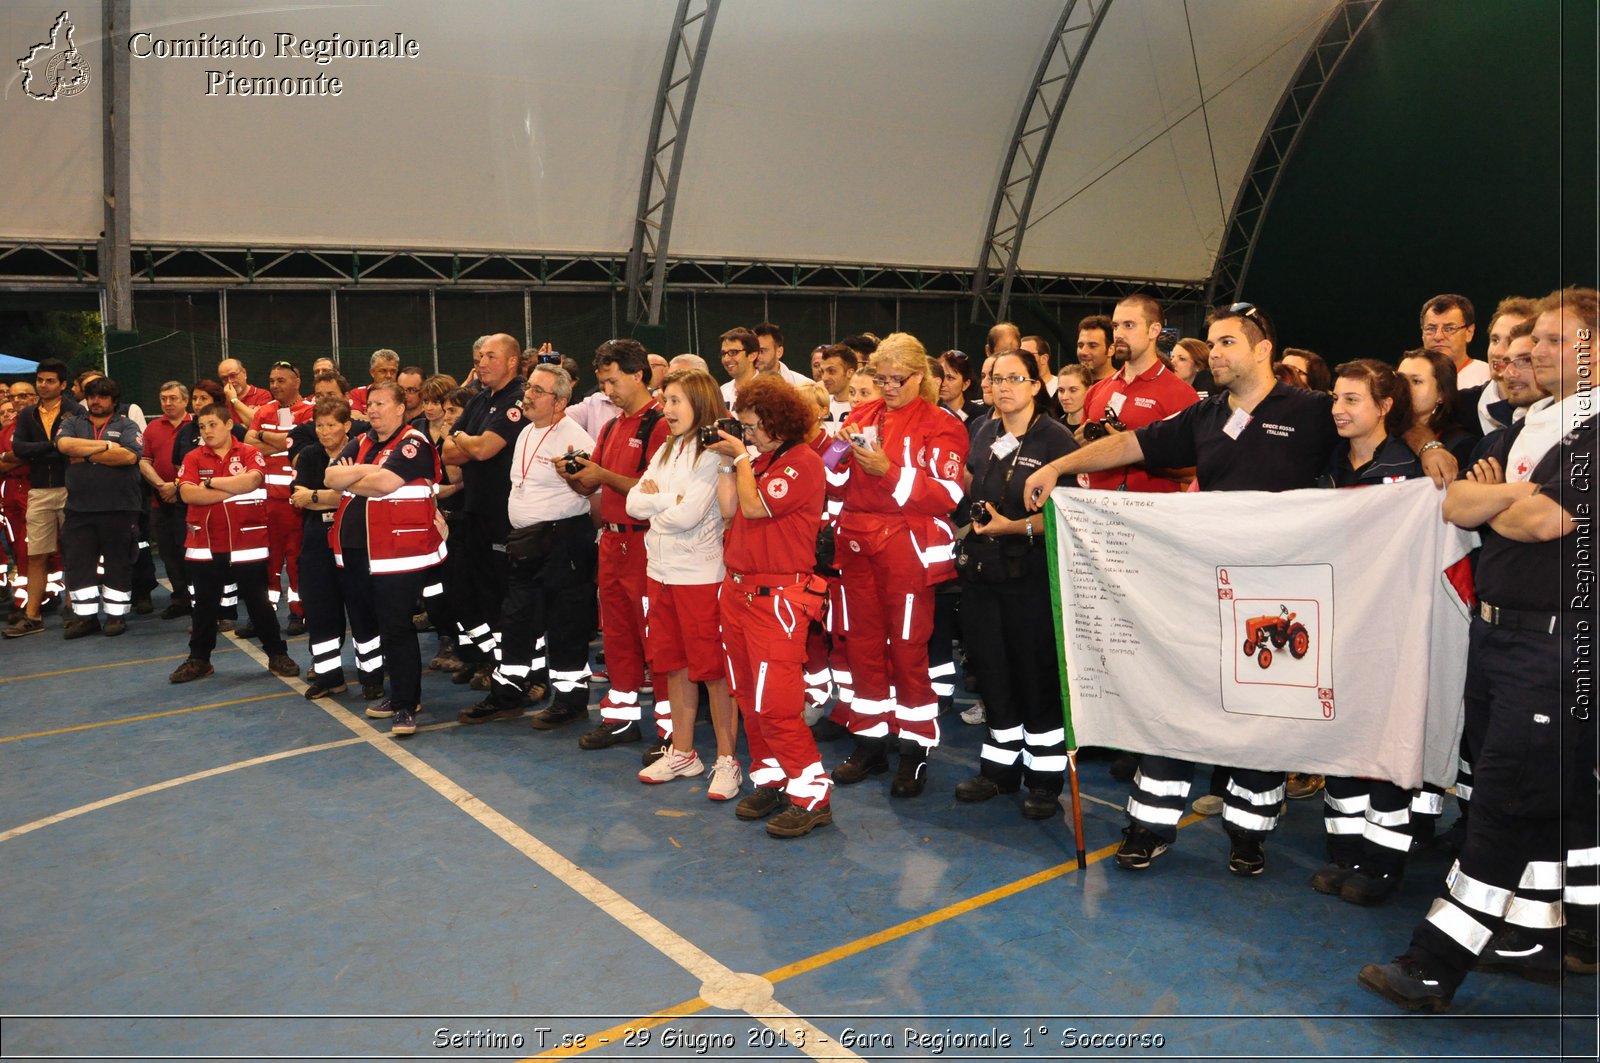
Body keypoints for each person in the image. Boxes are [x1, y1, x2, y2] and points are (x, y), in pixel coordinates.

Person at [1025, 302, 1339, 876]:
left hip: (1280, 594)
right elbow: (1131, 445)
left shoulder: (1314, 411)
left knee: (1262, 713)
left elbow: (1380, 435)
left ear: (1262, 347)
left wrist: (1433, 450)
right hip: (1206, 585)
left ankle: (1248, 834)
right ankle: (1149, 825)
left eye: (1225, 343)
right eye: (1210, 344)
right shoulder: (1206, 413)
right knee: (1176, 695)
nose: (1213, 353)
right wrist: (1060, 466)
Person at [1360, 287, 1598, 1010]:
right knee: (1562, 800)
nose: (1533, 354)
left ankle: (1435, 964)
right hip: (1498, 635)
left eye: (1556, 342)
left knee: (1500, 803)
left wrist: (1499, 501)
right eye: (1533, 343)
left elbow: (1543, 523)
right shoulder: (1532, 426)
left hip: (1554, 648)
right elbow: (1459, 503)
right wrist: (1501, 500)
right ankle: (1556, 935)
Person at [830, 333, 969, 798]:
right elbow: (830, 479)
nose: (888, 388)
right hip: (855, 545)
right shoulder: (861, 415)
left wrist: (887, 470)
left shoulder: (942, 424)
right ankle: (870, 740)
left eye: (897, 380)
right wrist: (833, 451)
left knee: (909, 650)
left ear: (920, 377)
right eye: (880, 379)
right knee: (862, 646)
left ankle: (914, 750)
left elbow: (947, 495)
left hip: (906, 546)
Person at [1307, 359, 1425, 904]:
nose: (1338, 408)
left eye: (1353, 399)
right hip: (1336, 624)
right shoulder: (1331, 460)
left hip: (1387, 629)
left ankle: (1383, 866)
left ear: (1384, 407)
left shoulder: (1408, 470)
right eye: (1336, 397)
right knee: (1343, 739)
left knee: (1384, 747)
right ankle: (1346, 852)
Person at [705, 375, 835, 835]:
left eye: (754, 426)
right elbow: (728, 509)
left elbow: (757, 508)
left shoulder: (802, 463)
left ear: (778, 423)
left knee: (776, 702)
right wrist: (730, 463)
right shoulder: (758, 462)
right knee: (747, 696)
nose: (748, 433)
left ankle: (812, 792)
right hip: (738, 593)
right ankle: (772, 775)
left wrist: (740, 458)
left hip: (777, 599)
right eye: (745, 425)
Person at [954, 350, 1077, 818]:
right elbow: (972, 487)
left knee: (1034, 673)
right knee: (993, 671)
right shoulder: (984, 430)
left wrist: (1015, 527)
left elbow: (1067, 516)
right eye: (996, 378)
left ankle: (1044, 781)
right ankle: (1000, 769)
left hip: (1029, 576)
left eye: (1014, 378)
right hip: (983, 575)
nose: (1003, 387)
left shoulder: (1055, 440)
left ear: (1034, 385)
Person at [460, 366, 598, 726]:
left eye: (539, 390)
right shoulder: (525, 432)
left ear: (561, 401)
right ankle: (508, 694)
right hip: (526, 543)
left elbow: (591, 491)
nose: (529, 395)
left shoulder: (575, 438)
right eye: (529, 387)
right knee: (516, 619)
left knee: (566, 624)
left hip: (564, 541)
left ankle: (570, 700)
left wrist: (573, 482)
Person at [624, 369, 740, 797]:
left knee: (714, 673)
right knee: (673, 665)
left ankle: (728, 761)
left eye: (675, 401)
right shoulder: (667, 449)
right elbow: (635, 502)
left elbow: (688, 515)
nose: (667, 409)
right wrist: (663, 501)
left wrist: (658, 503)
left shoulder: (713, 455)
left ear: (700, 403)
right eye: (665, 400)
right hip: (661, 573)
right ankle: (684, 751)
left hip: (701, 579)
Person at [555, 339, 672, 751]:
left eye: (613, 380)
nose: (607, 390)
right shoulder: (611, 425)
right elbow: (593, 483)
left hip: (647, 545)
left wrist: (600, 473)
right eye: (603, 381)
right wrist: (574, 472)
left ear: (638, 374)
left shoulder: (660, 424)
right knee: (618, 637)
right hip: (613, 543)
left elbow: (652, 491)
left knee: (655, 640)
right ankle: (621, 719)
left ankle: (672, 731)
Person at [325, 382, 446, 735]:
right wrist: (365, 473)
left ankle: (407, 704)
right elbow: (330, 476)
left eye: (380, 403)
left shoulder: (413, 443)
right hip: (358, 552)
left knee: (397, 627)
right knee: (376, 624)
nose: (372, 410)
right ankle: (398, 695)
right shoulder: (361, 441)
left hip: (397, 555)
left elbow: (385, 485)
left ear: (400, 408)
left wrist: (357, 475)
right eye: (369, 404)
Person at [169, 402, 298, 683]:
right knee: (203, 606)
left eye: (213, 424)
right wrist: (226, 485)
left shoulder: (250, 452)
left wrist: (210, 484)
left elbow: (251, 482)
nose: (207, 431)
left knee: (259, 603)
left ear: (229, 424)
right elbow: (189, 495)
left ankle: (277, 653)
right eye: (202, 427)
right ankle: (199, 660)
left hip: (247, 542)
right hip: (204, 544)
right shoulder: (192, 457)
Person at [441, 334, 526, 691]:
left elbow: (482, 450)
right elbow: (448, 453)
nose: (482, 362)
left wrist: (462, 439)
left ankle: (517, 671)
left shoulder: (517, 400)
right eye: (479, 356)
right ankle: (490, 658)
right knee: (464, 591)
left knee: (502, 598)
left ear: (511, 362)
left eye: (491, 356)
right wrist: (465, 441)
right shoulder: (478, 400)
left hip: (504, 518)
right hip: (474, 513)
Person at [290, 395, 381, 700]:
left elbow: (359, 495)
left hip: (354, 543)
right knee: (320, 612)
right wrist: (334, 494)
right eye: (319, 425)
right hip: (316, 544)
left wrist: (317, 497)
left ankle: (372, 677)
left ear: (347, 425)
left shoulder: (362, 453)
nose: (324, 431)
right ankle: (329, 677)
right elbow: (299, 496)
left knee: (363, 611)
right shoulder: (309, 456)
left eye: (331, 425)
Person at [1078, 295, 1199, 490]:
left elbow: (1193, 471)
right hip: (1096, 515)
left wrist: (1128, 450)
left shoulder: (1182, 395)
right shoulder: (1097, 391)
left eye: (1129, 325)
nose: (1119, 334)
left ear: (1154, 330)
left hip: (1149, 516)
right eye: (1116, 326)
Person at [55, 377, 144, 637]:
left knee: (119, 562)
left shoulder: (126, 424)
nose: (96, 401)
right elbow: (63, 445)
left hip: (120, 507)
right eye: (92, 395)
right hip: (79, 509)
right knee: (79, 564)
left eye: (103, 396)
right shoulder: (72, 422)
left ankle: (116, 616)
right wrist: (106, 447)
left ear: (114, 401)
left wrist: (83, 454)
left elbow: (128, 456)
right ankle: (86, 618)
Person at [4, 359, 80, 638]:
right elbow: (20, 449)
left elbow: (72, 449)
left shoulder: (76, 412)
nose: (44, 385)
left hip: (71, 487)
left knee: (73, 551)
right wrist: (54, 446)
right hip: (38, 491)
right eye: (40, 380)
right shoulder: (27, 416)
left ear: (63, 385)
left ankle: (75, 611)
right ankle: (32, 616)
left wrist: (41, 450)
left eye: (50, 381)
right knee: (36, 553)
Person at [243, 361, 313, 638]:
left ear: (297, 380)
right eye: (272, 380)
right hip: (266, 504)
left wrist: (267, 439)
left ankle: (299, 611)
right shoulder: (264, 410)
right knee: (267, 561)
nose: (275, 385)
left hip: (295, 502)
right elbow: (250, 442)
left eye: (281, 380)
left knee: (297, 560)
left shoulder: (309, 410)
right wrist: (282, 442)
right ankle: (264, 614)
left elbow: (299, 444)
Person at [137, 381, 193, 619]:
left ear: (185, 400)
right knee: (169, 553)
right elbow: (144, 460)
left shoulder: (198, 425)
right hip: (160, 502)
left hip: (191, 501)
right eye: (163, 399)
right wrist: (161, 486)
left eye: (173, 398)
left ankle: (199, 598)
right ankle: (180, 598)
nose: (168, 403)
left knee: (192, 552)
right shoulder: (152, 428)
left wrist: (177, 487)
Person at [1398, 348, 1476, 482]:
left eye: (1416, 381)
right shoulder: (1379, 430)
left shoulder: (1461, 445)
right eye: (1400, 379)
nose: (1404, 387)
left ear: (1441, 394)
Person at [1420, 293, 1491, 389]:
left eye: (1449, 329)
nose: (1438, 336)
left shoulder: (1487, 377)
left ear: (1469, 332)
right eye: (1431, 329)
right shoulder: (1411, 378)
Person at [938, 350, 986, 428]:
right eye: (941, 376)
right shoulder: (929, 412)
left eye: (950, 378)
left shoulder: (981, 416)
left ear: (965, 384)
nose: (943, 383)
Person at [216, 358, 270, 426]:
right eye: (224, 378)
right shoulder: (222, 400)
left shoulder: (262, 395)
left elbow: (259, 422)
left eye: (233, 375)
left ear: (244, 373)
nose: (230, 381)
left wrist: (234, 400)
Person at [719, 327, 761, 407]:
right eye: (724, 353)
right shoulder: (722, 392)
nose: (726, 359)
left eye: (733, 352)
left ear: (752, 355)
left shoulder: (769, 391)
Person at [349, 348, 400, 413]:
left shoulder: (403, 394)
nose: (389, 376)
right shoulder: (358, 394)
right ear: (372, 372)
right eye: (383, 371)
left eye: (393, 371)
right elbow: (355, 417)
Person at [816, 345, 857, 424]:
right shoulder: (819, 405)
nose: (824, 378)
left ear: (850, 373)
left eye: (831, 371)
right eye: (822, 372)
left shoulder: (862, 408)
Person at [1075, 314, 1115, 386]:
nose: (1083, 352)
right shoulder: (1068, 385)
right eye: (1080, 346)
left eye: (1092, 346)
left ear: (1111, 350)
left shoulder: (1122, 385)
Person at [1054, 364, 1091, 430]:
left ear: (1089, 390)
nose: (1065, 397)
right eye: (1061, 390)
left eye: (1073, 390)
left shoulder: (1097, 429)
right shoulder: (1055, 428)